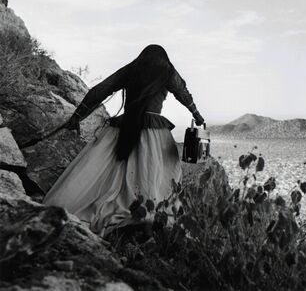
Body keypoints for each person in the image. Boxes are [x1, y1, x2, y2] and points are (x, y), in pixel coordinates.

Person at [43, 44, 205, 238]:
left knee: (106, 173)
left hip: (124, 128)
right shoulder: (167, 71)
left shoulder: (132, 68)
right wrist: (197, 115)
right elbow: (183, 93)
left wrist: (78, 116)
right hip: (154, 133)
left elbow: (101, 90)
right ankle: (146, 214)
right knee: (157, 175)